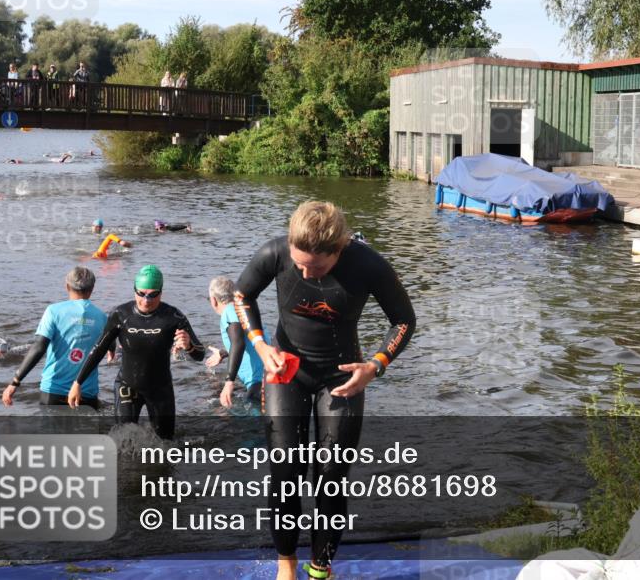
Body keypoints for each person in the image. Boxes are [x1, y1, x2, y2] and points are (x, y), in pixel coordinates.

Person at [234, 200, 416, 580]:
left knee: (331, 475)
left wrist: (376, 365)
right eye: (299, 264)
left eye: (315, 266)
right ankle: (287, 564)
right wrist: (260, 343)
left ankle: (320, 568)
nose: (304, 271)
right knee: (286, 471)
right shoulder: (275, 252)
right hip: (287, 371)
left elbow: (403, 320)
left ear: (339, 249)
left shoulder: (368, 265)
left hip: (342, 378)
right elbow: (242, 295)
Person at [68, 265, 204, 439]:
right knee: (122, 440)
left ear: (161, 293)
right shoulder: (121, 314)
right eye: (141, 293)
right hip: (127, 385)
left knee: (166, 444)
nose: (146, 300)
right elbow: (99, 349)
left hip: (160, 388)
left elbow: (200, 355)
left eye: (152, 294)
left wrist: (189, 346)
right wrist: (78, 383)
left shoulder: (173, 317)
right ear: (134, 291)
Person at [2, 267, 106, 408]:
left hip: (53, 390)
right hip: (85, 392)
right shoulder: (102, 317)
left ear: (67, 286)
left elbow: (39, 347)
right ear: (92, 288)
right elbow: (108, 347)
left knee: (51, 430)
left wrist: (15, 382)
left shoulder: (54, 311)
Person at [205, 276, 264, 407]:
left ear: (214, 300)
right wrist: (224, 353)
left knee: (250, 425)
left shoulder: (229, 311)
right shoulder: (245, 310)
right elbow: (248, 341)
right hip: (272, 378)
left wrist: (229, 381)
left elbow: (238, 343)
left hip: (258, 384)